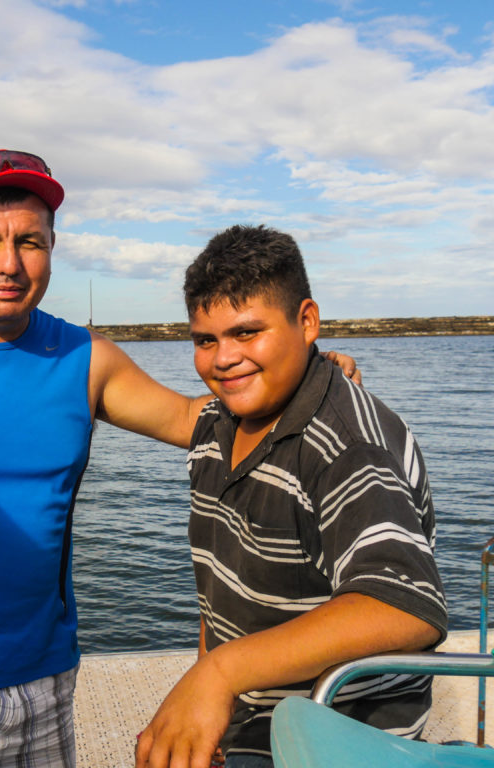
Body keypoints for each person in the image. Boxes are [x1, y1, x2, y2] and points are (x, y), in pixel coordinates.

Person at [0, 152, 359, 768]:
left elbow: (196, 421)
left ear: (52, 248)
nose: (9, 263)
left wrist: (300, 377)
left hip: (45, 679)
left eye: (29, 242)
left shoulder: (83, 357)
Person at [135, 225, 448, 768]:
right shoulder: (215, 425)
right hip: (252, 717)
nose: (223, 359)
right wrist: (214, 693)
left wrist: (221, 672)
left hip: (336, 732)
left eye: (247, 333)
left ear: (307, 322)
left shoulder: (345, 443)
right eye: (205, 340)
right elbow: (223, 590)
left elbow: (404, 605)